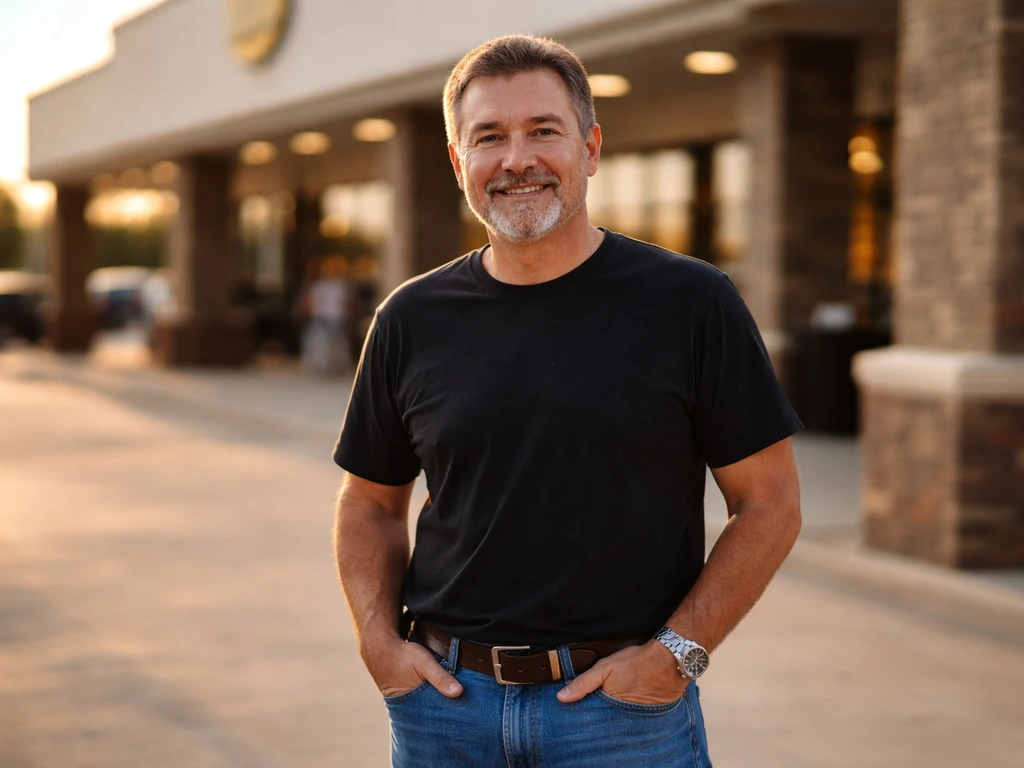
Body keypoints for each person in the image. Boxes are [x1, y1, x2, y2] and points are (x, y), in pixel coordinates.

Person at [333, 34, 802, 768]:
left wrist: (675, 657)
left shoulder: (690, 303)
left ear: (590, 148)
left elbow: (770, 503)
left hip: (623, 718)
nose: (517, 158)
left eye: (543, 131)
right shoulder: (410, 318)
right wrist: (377, 642)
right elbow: (367, 504)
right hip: (445, 711)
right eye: (489, 137)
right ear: (459, 164)